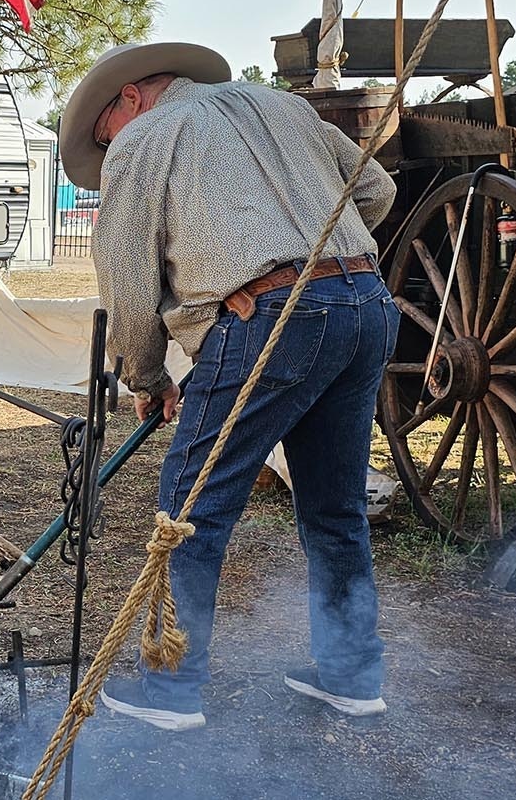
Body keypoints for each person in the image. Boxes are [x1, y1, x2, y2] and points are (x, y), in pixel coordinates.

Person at [56, 42, 400, 730]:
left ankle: (171, 692)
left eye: (105, 135)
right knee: (334, 507)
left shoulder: (145, 138)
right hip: (366, 304)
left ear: (131, 97)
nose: (110, 148)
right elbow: (377, 191)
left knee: (189, 511)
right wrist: (323, 249)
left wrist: (145, 375)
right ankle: (352, 677)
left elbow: (127, 280)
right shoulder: (287, 107)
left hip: (272, 315)